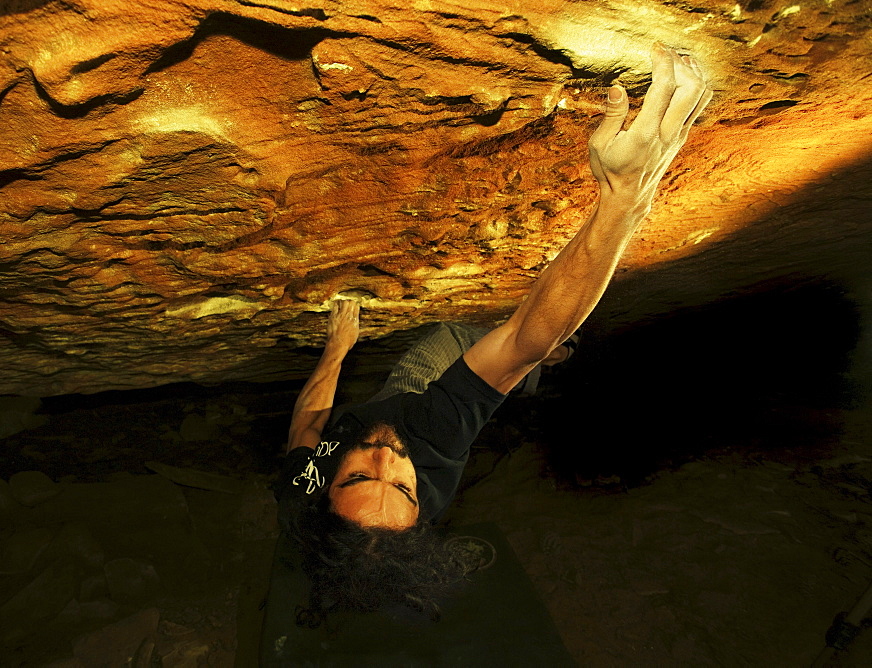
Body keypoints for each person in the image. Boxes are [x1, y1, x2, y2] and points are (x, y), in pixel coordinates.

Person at [274, 44, 712, 624]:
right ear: (420, 503)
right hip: (426, 403)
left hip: (391, 400)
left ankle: (539, 372)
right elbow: (519, 340)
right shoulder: (432, 446)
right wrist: (624, 199)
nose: (384, 455)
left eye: (357, 474)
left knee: (457, 363)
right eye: (402, 487)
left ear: (326, 494)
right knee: (496, 351)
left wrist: (339, 346)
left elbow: (307, 421)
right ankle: (544, 375)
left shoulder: (301, 497)